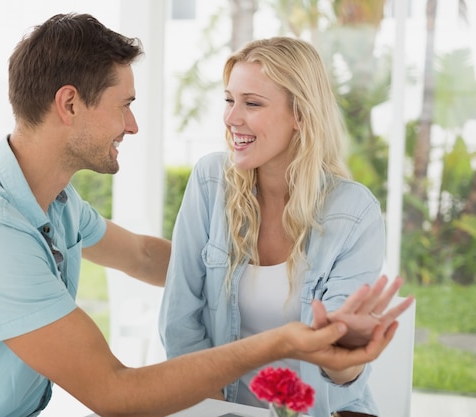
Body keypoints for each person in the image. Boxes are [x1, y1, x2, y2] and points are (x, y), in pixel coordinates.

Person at [0, 15, 405, 417]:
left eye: (253, 103)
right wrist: (280, 341)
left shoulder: (51, 202)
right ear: (70, 104)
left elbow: (145, 255)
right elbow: (114, 392)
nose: (133, 125)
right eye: (123, 104)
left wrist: (216, 275)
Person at [159, 36, 414, 417]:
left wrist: (347, 351)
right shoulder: (211, 181)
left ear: (301, 115)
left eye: (252, 103)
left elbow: (340, 375)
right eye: (229, 100)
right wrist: (217, 408)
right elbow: (180, 321)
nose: (231, 118)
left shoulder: (353, 212)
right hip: (218, 405)